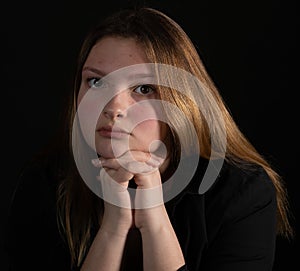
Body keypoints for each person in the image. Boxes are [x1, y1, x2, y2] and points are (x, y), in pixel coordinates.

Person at [5, 6, 293, 271]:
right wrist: (113, 229)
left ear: (181, 101)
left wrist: (153, 220)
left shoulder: (241, 193)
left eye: (143, 88)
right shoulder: (46, 182)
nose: (113, 107)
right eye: (96, 81)